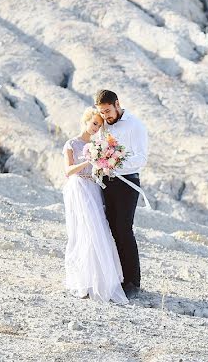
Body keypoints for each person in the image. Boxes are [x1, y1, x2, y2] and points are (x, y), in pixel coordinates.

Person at [62, 107, 127, 303]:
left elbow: (100, 170)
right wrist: (87, 161)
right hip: (79, 189)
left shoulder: (98, 145)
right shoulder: (71, 144)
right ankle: (83, 281)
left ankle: (101, 281)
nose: (96, 128)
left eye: (99, 126)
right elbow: (68, 171)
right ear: (87, 121)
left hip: (94, 189)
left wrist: (105, 164)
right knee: (83, 232)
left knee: (98, 231)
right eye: (95, 123)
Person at [94, 89, 149, 300]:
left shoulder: (135, 125)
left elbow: (141, 158)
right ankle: (114, 277)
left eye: (108, 110)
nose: (106, 116)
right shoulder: (104, 125)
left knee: (124, 229)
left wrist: (114, 162)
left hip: (128, 184)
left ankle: (133, 282)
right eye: (102, 112)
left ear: (117, 104)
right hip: (106, 183)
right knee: (110, 229)